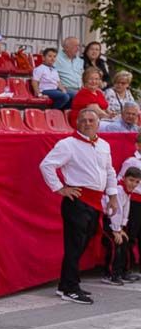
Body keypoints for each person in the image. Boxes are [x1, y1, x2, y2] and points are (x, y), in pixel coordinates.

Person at [39, 107, 119, 305]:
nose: (87, 123)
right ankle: (71, 288)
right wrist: (59, 188)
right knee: (74, 246)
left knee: (84, 242)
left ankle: (65, 284)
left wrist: (113, 195)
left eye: (91, 120)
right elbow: (46, 165)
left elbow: (109, 171)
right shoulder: (68, 144)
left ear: (98, 123)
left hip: (95, 201)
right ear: (77, 123)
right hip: (77, 201)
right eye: (83, 120)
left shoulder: (104, 145)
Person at [101, 167, 141, 285]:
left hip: (117, 223)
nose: (133, 184)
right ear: (124, 178)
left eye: (137, 182)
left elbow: (126, 209)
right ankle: (109, 274)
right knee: (114, 244)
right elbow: (115, 212)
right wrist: (116, 230)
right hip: (108, 220)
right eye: (131, 180)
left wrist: (122, 228)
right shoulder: (118, 191)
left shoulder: (127, 192)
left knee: (124, 242)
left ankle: (122, 272)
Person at [120, 131, 141, 277]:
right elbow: (121, 179)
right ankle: (124, 268)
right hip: (134, 201)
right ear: (138, 145)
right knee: (131, 234)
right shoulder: (132, 161)